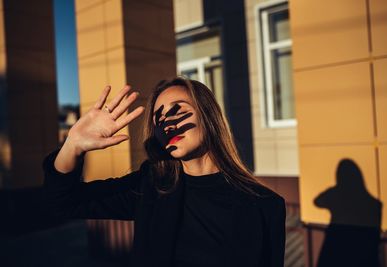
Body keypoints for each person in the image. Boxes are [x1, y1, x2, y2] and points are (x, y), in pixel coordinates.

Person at [42, 77, 286, 267]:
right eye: (159, 118)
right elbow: (64, 203)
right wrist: (72, 146)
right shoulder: (152, 186)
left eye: (177, 110)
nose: (167, 123)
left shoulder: (265, 206)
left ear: (209, 116)